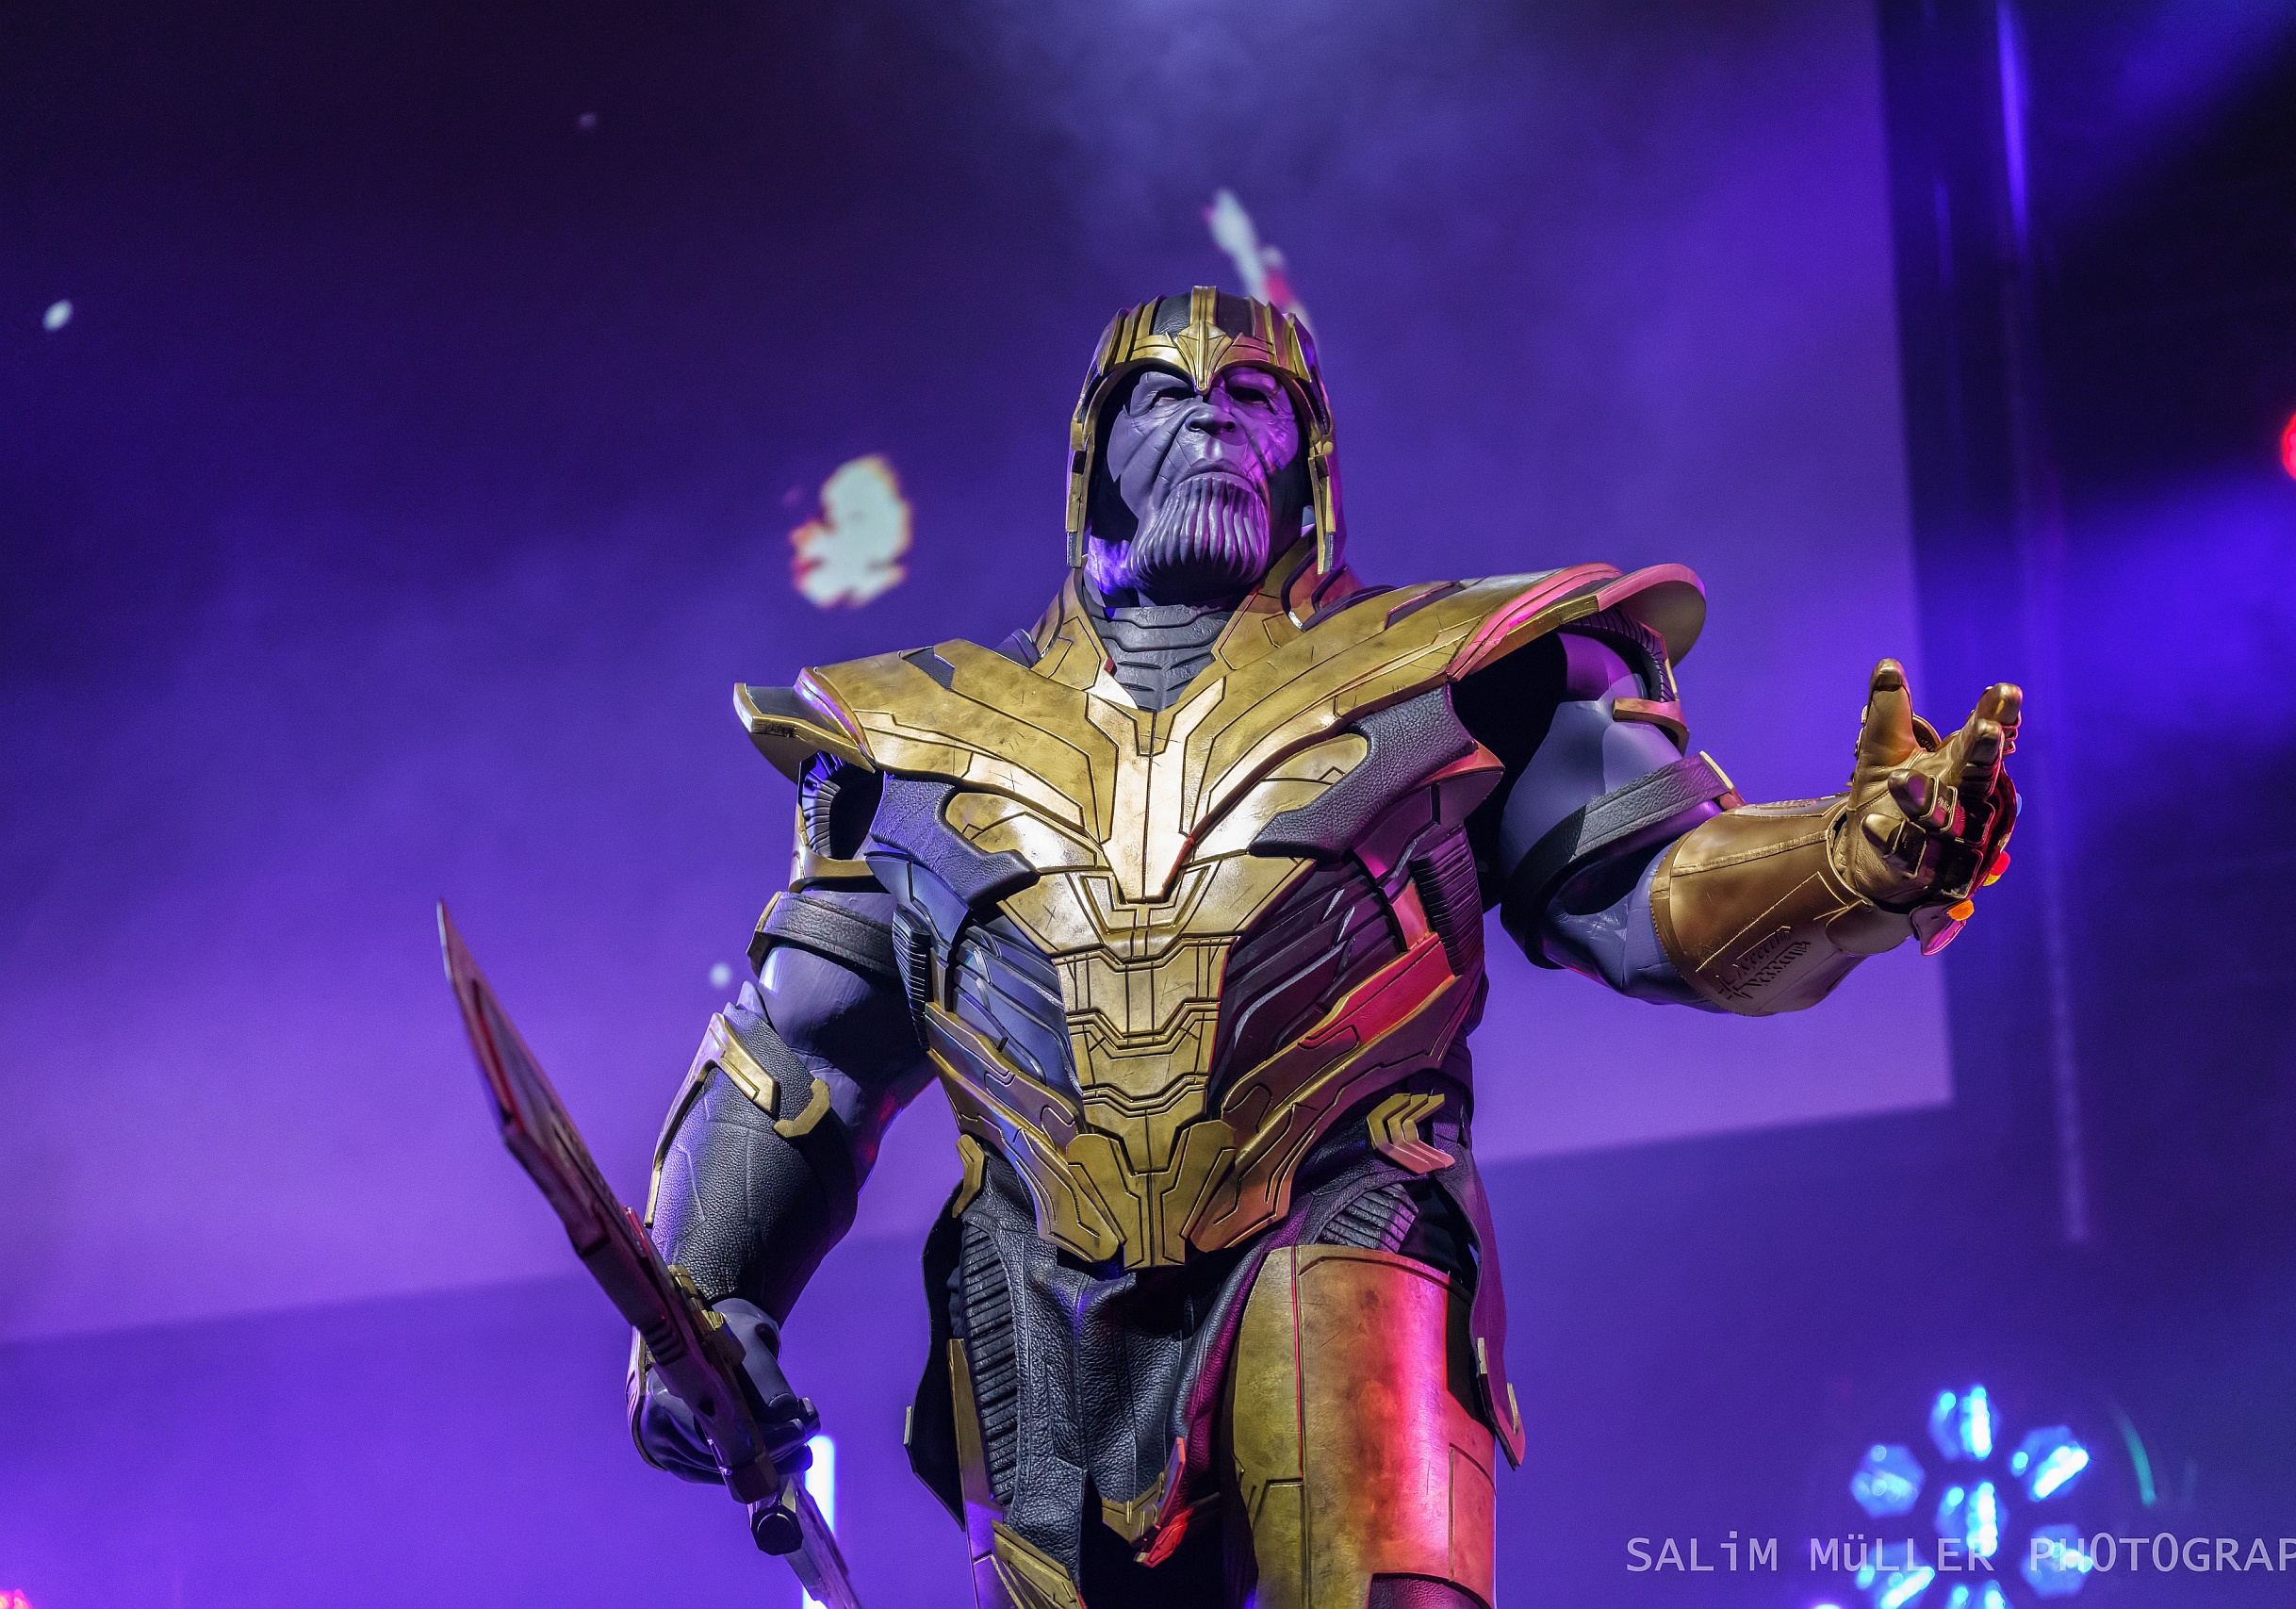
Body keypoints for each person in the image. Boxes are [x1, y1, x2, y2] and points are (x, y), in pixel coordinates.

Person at [631, 288, 2021, 1608]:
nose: (1211, 416)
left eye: (1254, 395)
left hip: (1343, 1224)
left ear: (1309, 450)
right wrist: (701, 1295)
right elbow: (803, 1051)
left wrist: (1857, 864)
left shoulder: (1456, 669)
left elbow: (1652, 896)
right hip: (1037, 1286)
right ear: (1093, 453)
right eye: (1163, 394)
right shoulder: (918, 740)